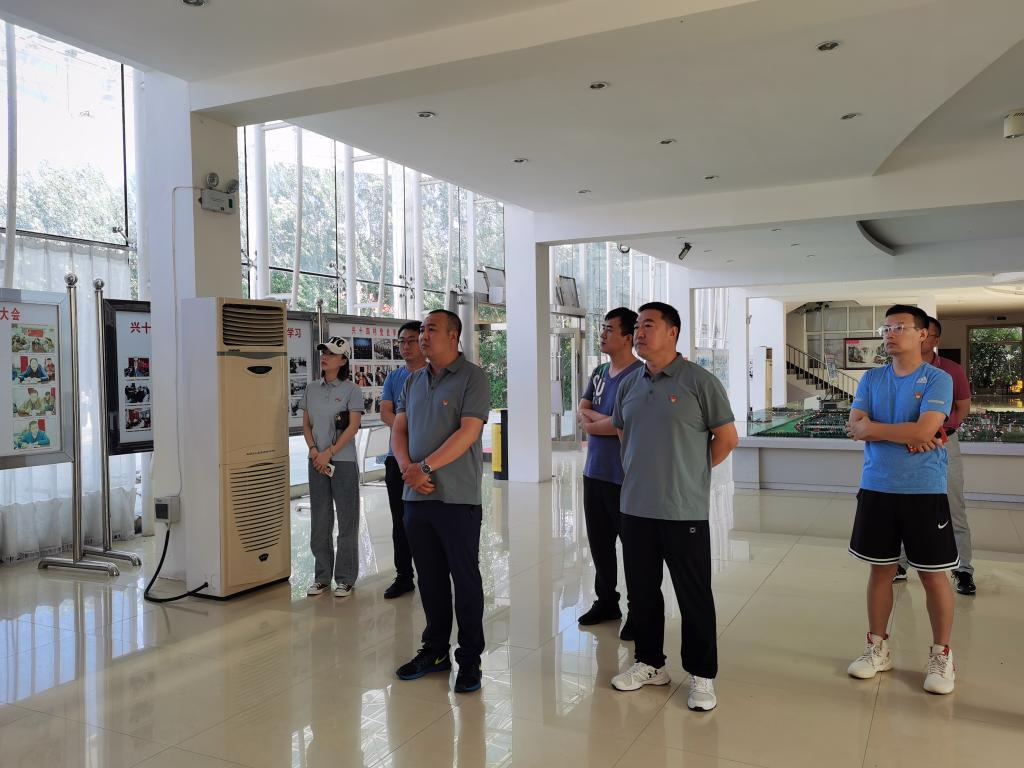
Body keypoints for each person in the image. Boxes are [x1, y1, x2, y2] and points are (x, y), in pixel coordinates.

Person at [610, 302, 739, 712]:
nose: (639, 332)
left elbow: (727, 438)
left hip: (683, 510)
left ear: (673, 332)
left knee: (693, 594)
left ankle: (702, 674)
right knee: (643, 592)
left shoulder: (700, 381)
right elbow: (623, 434)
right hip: (635, 507)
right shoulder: (629, 384)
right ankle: (650, 663)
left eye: (648, 325)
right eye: (637, 326)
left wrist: (690, 472)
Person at [846, 305, 957, 695]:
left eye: (900, 327)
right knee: (881, 570)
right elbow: (854, 426)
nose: (890, 334)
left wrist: (877, 429)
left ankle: (942, 656)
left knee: (932, 574)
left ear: (922, 334)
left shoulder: (938, 379)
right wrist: (907, 432)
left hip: (923, 488)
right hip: (877, 484)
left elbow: (926, 430)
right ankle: (877, 648)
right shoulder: (872, 378)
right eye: (886, 328)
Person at [392, 309, 489, 694]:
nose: (422, 336)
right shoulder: (413, 380)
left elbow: (469, 433)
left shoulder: (472, 377)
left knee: (464, 580)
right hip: (416, 497)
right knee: (429, 579)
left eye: (431, 329)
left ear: (453, 336)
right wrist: (407, 468)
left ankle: (470, 659)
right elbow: (399, 429)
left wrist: (425, 467)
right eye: (421, 329)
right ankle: (434, 651)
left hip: (457, 499)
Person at [894, 316, 975, 595]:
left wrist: (941, 431)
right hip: (906, 445)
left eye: (925, 334)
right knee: (906, 504)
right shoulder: (899, 370)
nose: (919, 338)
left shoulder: (951, 370)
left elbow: (962, 407)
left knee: (952, 505)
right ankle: (901, 562)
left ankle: (963, 569)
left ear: (934, 339)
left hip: (943, 443)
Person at [576, 307, 643, 639]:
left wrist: (595, 424)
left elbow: (624, 425)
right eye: (602, 328)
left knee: (634, 549)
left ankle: (639, 611)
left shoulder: (640, 376)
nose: (602, 334)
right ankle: (606, 602)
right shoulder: (600, 371)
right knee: (599, 545)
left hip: (624, 477)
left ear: (628, 337)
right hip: (594, 473)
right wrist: (599, 422)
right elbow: (582, 408)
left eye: (609, 329)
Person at [300, 337, 364, 598]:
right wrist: (314, 451)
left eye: (331, 353)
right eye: (323, 352)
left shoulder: (352, 390)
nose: (324, 357)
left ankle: (345, 578)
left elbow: (353, 427)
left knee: (347, 520)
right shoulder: (311, 389)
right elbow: (306, 425)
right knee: (320, 519)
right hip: (317, 461)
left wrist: (330, 452)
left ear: (343, 360)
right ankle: (322, 577)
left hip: (343, 461)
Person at [379, 320, 427, 599]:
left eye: (411, 341)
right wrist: (405, 432)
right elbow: (386, 411)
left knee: (428, 520)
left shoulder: (434, 376)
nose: (405, 347)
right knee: (401, 521)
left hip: (427, 458)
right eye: (401, 342)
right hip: (396, 458)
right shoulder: (394, 378)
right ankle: (404, 576)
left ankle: (433, 573)